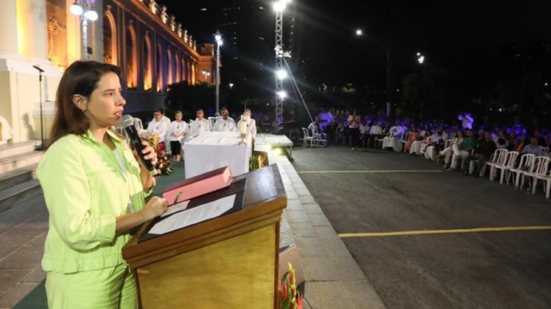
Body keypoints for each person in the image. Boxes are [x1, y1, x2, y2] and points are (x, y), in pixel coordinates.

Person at [36, 60, 168, 308]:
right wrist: (143, 215)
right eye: (109, 94)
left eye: (120, 92)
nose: (121, 101)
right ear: (80, 102)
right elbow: (76, 230)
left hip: (125, 262)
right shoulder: (66, 152)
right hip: (86, 275)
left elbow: (138, 190)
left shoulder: (118, 141)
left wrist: (143, 165)